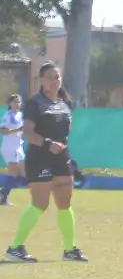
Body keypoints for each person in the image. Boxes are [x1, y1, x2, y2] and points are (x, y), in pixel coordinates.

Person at [5, 63, 85, 262]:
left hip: (61, 158)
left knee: (64, 203)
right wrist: (48, 143)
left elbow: (67, 129)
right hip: (40, 157)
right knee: (40, 204)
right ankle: (15, 248)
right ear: (41, 80)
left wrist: (65, 152)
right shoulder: (34, 103)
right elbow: (28, 132)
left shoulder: (65, 101)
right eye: (50, 77)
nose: (55, 81)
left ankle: (69, 250)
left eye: (57, 77)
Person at [1, 94, 26, 205]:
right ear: (10, 103)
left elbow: (23, 131)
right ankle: (4, 196)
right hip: (10, 147)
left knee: (22, 173)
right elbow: (3, 131)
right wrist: (18, 130)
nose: (17, 104)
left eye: (19, 102)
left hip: (18, 147)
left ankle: (3, 193)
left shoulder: (21, 115)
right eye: (15, 102)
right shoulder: (8, 116)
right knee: (16, 173)